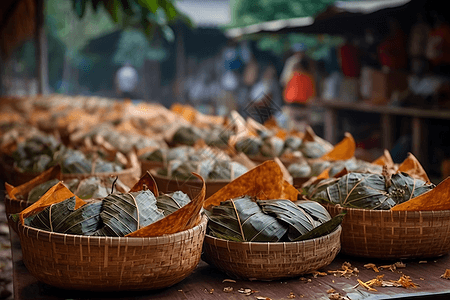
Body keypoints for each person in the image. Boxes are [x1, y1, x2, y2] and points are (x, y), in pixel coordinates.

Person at [283, 59, 316, 131]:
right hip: (304, 108)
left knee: (291, 128)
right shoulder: (309, 77)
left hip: (292, 107)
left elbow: (286, 93)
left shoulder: (292, 75)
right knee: (303, 129)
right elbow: (312, 97)